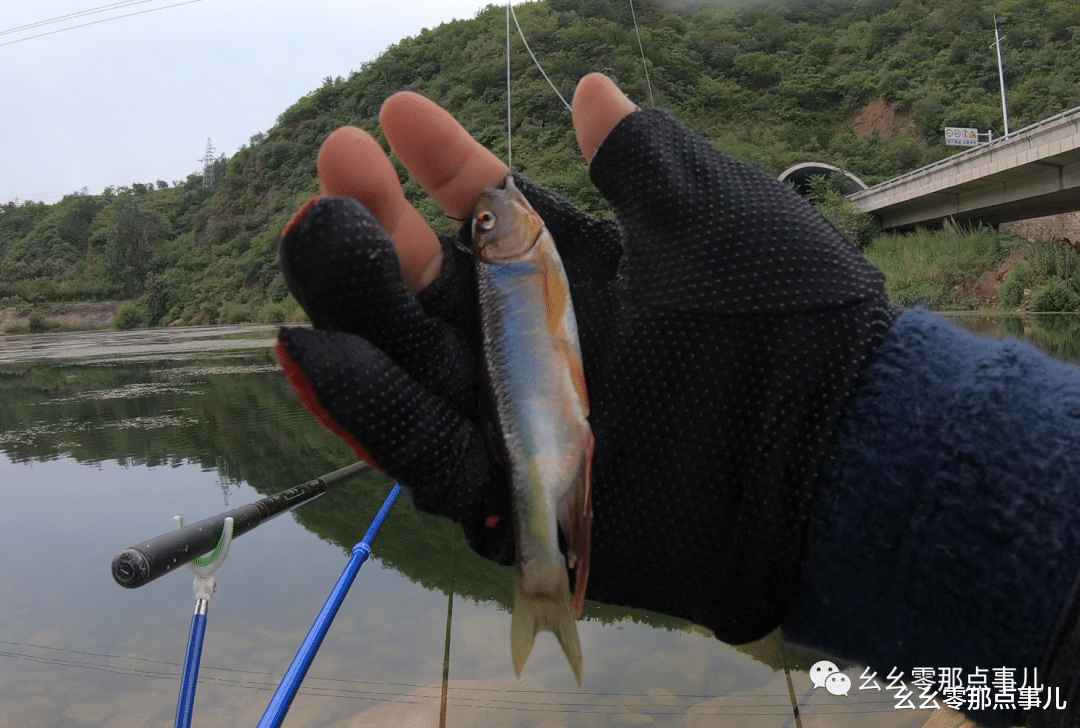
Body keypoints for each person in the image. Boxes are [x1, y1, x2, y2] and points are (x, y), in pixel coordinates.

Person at [275, 73, 1080, 728]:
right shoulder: (514, 262)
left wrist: (841, 397)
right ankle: (545, 582)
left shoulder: (520, 257)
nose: (496, 220)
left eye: (482, 221)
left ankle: (546, 580)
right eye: (489, 223)